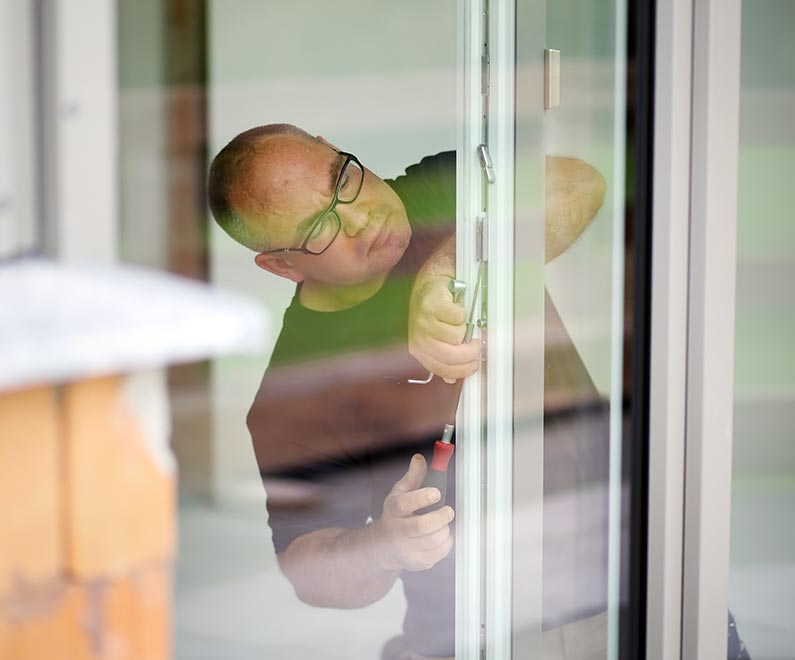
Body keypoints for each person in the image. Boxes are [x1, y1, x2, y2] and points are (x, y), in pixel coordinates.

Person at [207, 123, 606, 659]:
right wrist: (384, 546)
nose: (360, 218)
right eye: (319, 227)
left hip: (621, 580)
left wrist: (447, 269)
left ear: (335, 148)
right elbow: (308, 570)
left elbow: (579, 182)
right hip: (469, 632)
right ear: (282, 265)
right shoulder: (294, 391)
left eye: (341, 179)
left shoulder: (433, 190)